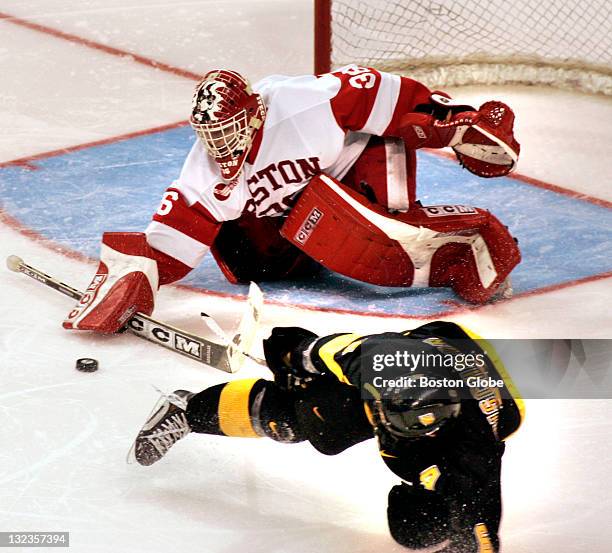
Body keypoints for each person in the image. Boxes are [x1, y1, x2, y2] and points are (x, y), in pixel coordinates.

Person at [62, 66, 521, 333]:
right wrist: (136, 274)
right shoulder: (204, 172)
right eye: (211, 137)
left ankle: (472, 245)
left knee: (377, 243)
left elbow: (393, 97)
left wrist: (458, 122)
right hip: (304, 205)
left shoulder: (305, 102)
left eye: (227, 132)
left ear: (255, 113)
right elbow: (168, 240)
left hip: (362, 159)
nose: (220, 147)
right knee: (251, 262)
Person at [129, 320, 524, 553]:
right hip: (434, 343)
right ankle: (186, 411)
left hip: (482, 397)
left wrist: (459, 541)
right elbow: (334, 349)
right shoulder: (381, 363)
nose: (411, 436)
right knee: (307, 420)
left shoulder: (469, 459)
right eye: (399, 425)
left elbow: (481, 534)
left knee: (323, 427)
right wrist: (294, 356)